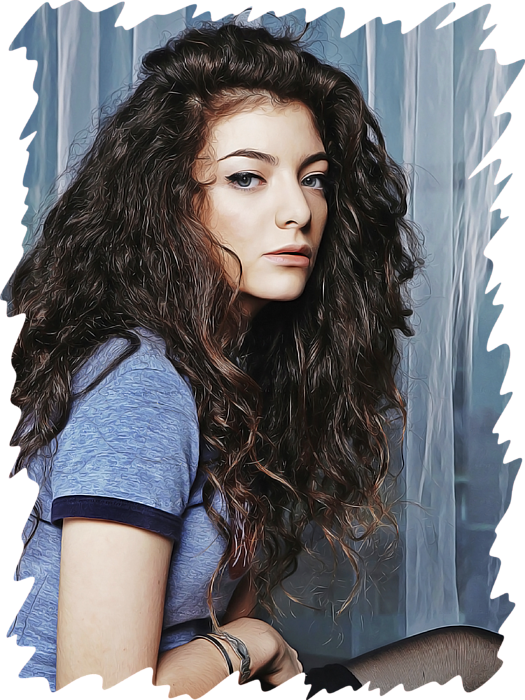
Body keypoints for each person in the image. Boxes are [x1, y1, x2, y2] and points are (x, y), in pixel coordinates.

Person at [6, 21, 504, 697]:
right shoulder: (140, 385)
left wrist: (241, 643)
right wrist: (252, 642)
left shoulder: (231, 374)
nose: (297, 209)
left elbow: (215, 616)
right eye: (247, 178)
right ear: (171, 202)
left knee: (469, 655)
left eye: (314, 178)